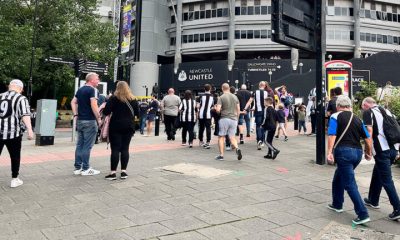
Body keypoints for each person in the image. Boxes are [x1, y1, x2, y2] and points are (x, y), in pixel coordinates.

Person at [327, 95, 373, 225]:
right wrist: (368, 153)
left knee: (349, 183)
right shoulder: (357, 119)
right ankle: (337, 204)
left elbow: (332, 135)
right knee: (338, 177)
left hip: (343, 152)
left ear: (338, 106)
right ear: (349, 106)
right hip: (357, 153)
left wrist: (329, 152)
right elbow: (368, 138)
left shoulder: (335, 116)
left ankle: (362, 213)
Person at [361, 97, 400, 221]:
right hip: (393, 149)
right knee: (377, 172)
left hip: (382, 151)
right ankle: (373, 199)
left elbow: (369, 130)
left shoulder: (369, 112)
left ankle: (398, 208)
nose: (362, 110)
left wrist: (368, 150)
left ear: (366, 105)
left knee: (387, 180)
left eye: (362, 107)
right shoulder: (386, 111)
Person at [0, 79, 34, 188]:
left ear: (9, 86)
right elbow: (25, 115)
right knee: (15, 156)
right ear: (20, 88)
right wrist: (30, 130)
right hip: (13, 133)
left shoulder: (0, 96)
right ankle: (14, 179)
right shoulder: (21, 98)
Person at [102, 81, 139, 180]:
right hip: (129, 126)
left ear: (117, 88)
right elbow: (137, 113)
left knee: (115, 149)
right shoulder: (133, 99)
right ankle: (123, 172)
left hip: (116, 126)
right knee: (125, 148)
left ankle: (113, 173)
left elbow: (106, 111)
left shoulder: (113, 98)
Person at [71, 72, 102, 176]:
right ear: (91, 80)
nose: (98, 81)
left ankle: (77, 168)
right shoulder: (93, 90)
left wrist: (75, 114)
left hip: (80, 120)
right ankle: (86, 168)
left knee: (80, 144)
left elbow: (73, 102)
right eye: (97, 79)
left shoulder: (80, 90)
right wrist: (99, 118)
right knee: (87, 146)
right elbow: (94, 105)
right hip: (90, 120)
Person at [215, 83, 242, 161]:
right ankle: (237, 148)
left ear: (222, 88)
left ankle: (221, 155)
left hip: (224, 119)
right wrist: (236, 118)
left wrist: (216, 108)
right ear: (229, 88)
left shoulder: (221, 97)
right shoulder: (235, 97)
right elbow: (238, 110)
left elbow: (218, 110)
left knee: (221, 137)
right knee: (232, 137)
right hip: (234, 119)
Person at [244, 81, 269, 150]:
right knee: (263, 126)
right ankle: (262, 141)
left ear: (259, 85)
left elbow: (250, 101)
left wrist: (245, 109)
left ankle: (259, 141)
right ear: (264, 86)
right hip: (265, 112)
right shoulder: (267, 93)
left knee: (258, 126)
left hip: (257, 111)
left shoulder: (255, 92)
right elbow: (269, 103)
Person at [197, 84, 215, 149]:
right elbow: (213, 106)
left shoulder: (201, 96)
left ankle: (201, 141)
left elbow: (198, 105)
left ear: (204, 89)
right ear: (210, 89)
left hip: (201, 114)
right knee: (208, 128)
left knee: (201, 128)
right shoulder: (212, 97)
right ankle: (208, 142)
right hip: (208, 115)